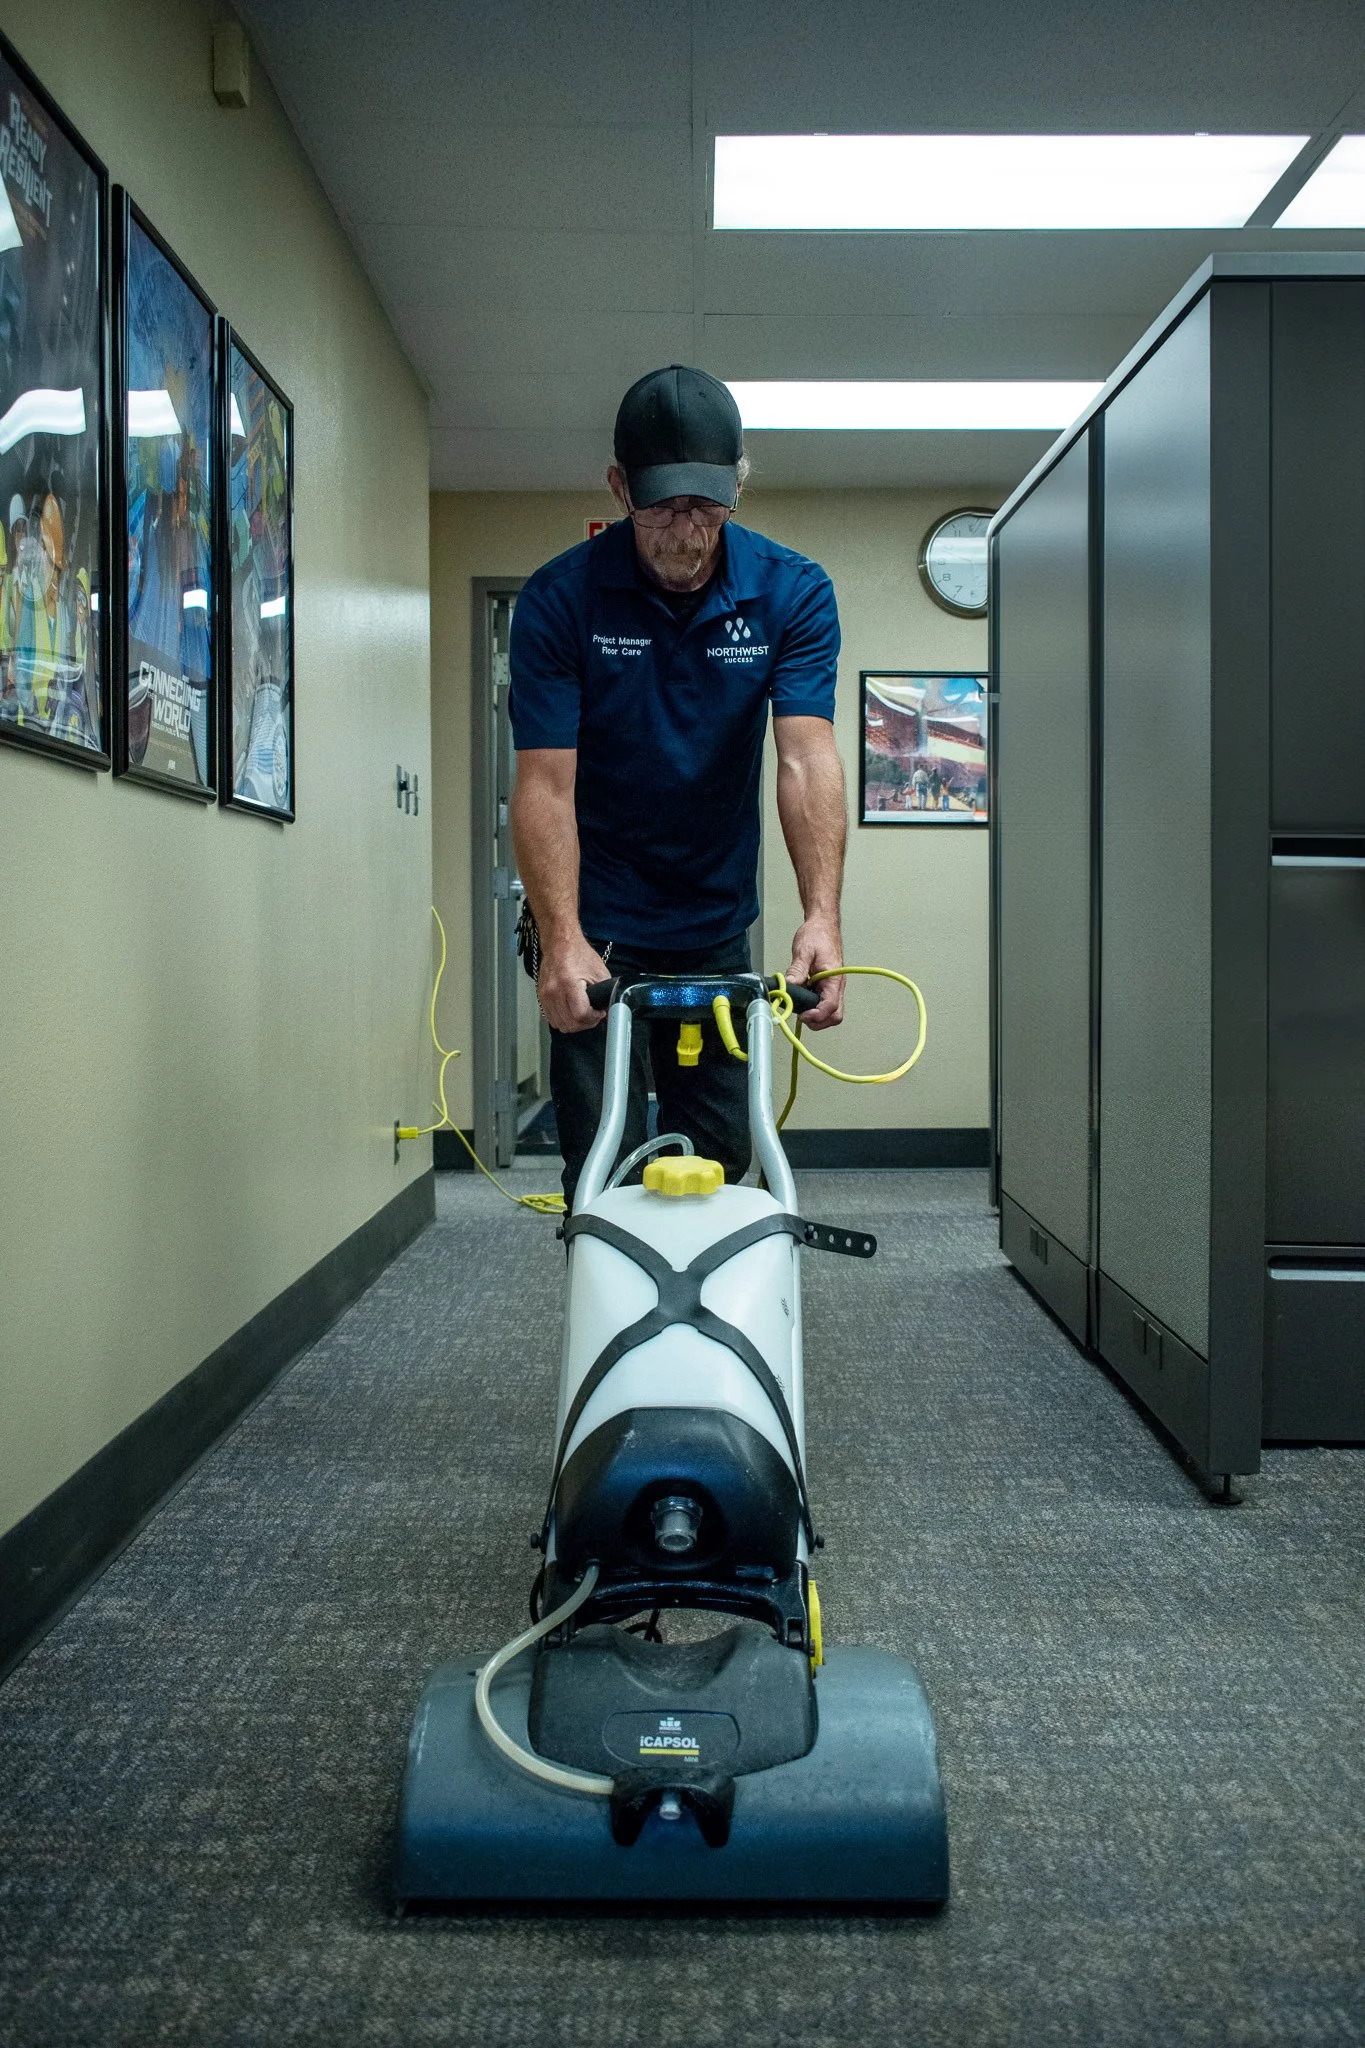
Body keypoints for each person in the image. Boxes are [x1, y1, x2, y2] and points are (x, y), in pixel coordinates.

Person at [509, 364, 846, 1204]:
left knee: (723, 1160)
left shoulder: (790, 592)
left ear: (737, 485)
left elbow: (804, 758)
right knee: (605, 1165)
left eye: (706, 506)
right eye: (660, 507)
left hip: (713, 917)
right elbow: (545, 785)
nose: (685, 534)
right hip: (597, 925)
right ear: (619, 487)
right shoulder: (560, 599)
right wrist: (560, 938)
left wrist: (821, 916)